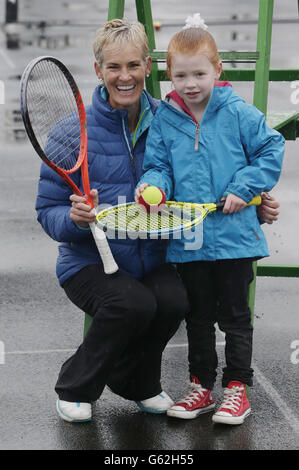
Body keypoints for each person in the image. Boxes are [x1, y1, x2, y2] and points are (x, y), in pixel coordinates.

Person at [35, 18, 190, 423]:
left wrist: (253, 201)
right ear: (98, 69)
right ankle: (75, 386)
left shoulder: (169, 121)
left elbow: (201, 179)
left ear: (148, 67)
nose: (125, 77)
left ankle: (137, 382)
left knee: (174, 300)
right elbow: (46, 210)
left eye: (133, 66)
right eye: (114, 67)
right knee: (131, 303)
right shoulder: (72, 132)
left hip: (151, 258)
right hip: (86, 264)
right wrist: (75, 218)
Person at [135, 13, 285, 425]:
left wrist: (243, 187)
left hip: (235, 238)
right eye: (180, 76)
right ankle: (201, 387)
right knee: (197, 316)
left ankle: (237, 389)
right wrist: (155, 188)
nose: (190, 84)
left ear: (217, 69)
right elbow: (158, 165)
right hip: (190, 239)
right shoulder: (166, 118)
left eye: (199, 73)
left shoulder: (238, 112)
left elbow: (271, 150)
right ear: (169, 77)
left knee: (236, 317)